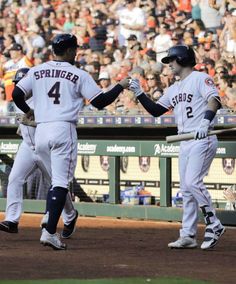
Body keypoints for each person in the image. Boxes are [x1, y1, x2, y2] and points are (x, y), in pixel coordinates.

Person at [12, 33, 130, 250]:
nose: (76, 52)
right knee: (59, 182)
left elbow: (17, 94)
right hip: (63, 128)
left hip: (41, 131)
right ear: (67, 51)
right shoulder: (78, 74)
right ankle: (49, 232)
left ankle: (61, 217)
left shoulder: (37, 70)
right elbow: (101, 102)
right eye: (74, 49)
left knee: (55, 181)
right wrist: (121, 85)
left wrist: (29, 111)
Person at [128, 45, 225, 250]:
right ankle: (188, 234)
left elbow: (214, 100)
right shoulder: (174, 88)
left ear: (181, 59)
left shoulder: (199, 78)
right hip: (185, 139)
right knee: (186, 190)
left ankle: (213, 223)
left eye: (171, 60)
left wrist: (205, 122)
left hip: (202, 137)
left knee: (192, 182)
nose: (169, 65)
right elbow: (156, 110)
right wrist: (140, 93)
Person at [0, 68, 78, 240]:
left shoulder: (45, 99)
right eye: (17, 83)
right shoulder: (19, 101)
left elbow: (53, 122)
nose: (19, 87)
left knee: (57, 184)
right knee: (14, 179)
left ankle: (70, 216)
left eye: (21, 83)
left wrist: (31, 122)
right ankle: (12, 220)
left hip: (47, 149)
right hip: (28, 147)